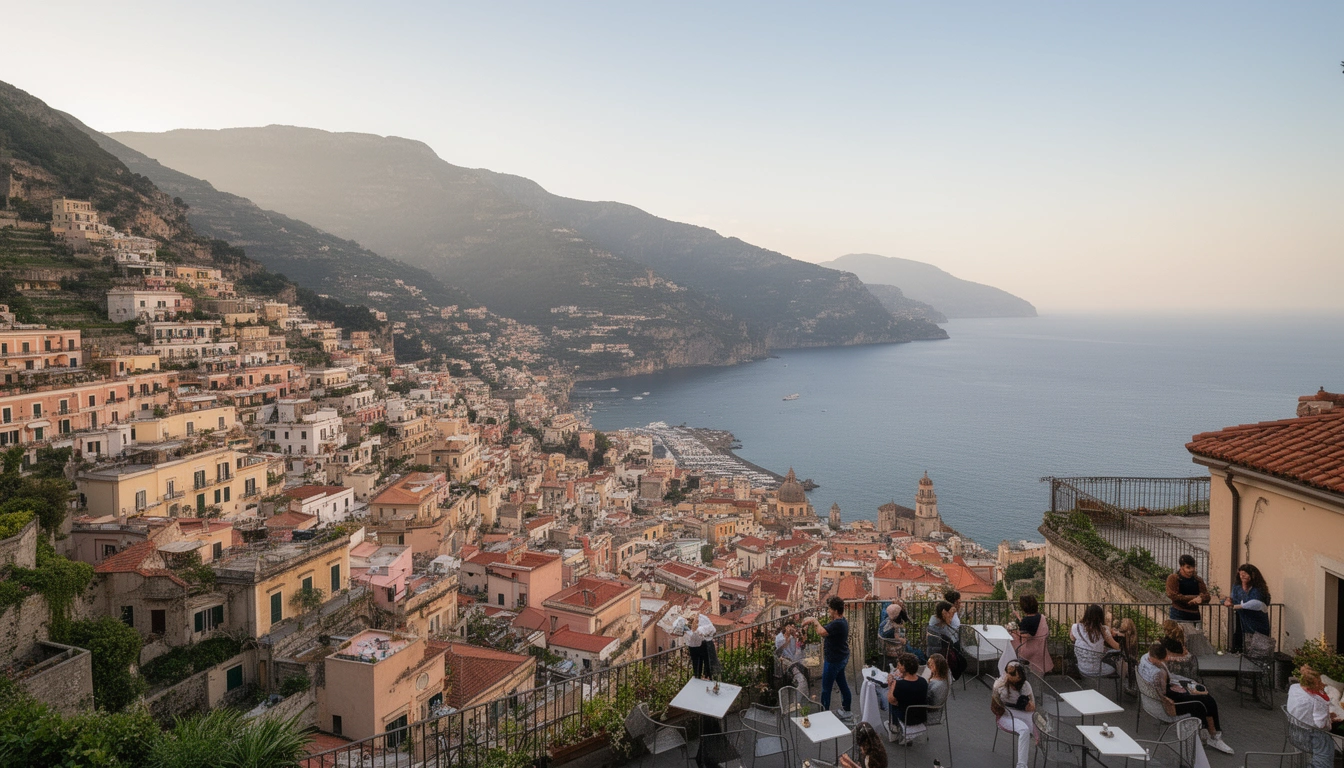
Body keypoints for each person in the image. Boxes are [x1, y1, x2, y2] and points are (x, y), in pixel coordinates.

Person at [1138, 642, 1232, 754]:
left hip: (1161, 697)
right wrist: (1179, 687)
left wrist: (1186, 682)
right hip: (1168, 704)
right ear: (1154, 658)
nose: (1165, 661)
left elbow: (1165, 686)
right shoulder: (1157, 673)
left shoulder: (1145, 658)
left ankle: (1210, 734)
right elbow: (1163, 694)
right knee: (1203, 702)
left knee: (1206, 699)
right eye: (1162, 660)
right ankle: (1213, 736)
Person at [804, 596, 853, 720]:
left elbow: (821, 632)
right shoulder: (842, 621)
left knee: (826, 688)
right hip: (841, 657)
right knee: (842, 684)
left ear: (836, 610)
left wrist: (814, 620)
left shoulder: (837, 624)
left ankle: (824, 714)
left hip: (834, 660)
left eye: (830, 609)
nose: (829, 611)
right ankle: (847, 710)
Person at [1287, 664, 1344, 768]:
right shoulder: (1317, 701)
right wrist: (1329, 720)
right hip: (1309, 736)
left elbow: (1307, 712)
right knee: (1329, 740)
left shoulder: (1294, 688)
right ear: (1312, 685)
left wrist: (1327, 717)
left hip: (1294, 731)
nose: (1323, 685)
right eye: (1319, 683)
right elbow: (1321, 725)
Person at [990, 660, 1035, 768]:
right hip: (1005, 714)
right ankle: (1021, 765)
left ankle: (1040, 744)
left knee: (1039, 724)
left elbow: (1033, 705)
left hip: (1022, 712)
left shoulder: (1025, 685)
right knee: (1024, 730)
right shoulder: (1000, 685)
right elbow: (994, 708)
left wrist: (1029, 706)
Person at [1225, 563, 1272, 651]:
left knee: (1259, 643)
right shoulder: (1237, 587)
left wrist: (1240, 605)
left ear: (1252, 575)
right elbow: (1232, 598)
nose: (1242, 576)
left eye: (1245, 573)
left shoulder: (1258, 588)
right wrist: (1228, 600)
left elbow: (1257, 603)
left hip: (1256, 618)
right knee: (1242, 639)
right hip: (1242, 617)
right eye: (1241, 573)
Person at [886, 652, 929, 744]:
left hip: (907, 718)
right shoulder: (923, 681)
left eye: (899, 665)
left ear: (904, 668)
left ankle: (894, 728)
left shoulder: (899, 684)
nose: (897, 667)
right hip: (921, 716)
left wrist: (891, 685)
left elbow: (890, 700)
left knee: (892, 703)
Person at [1070, 604, 1120, 676]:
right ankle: (1123, 684)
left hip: (1082, 667)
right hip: (1097, 669)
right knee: (1118, 662)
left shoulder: (1076, 627)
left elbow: (1072, 638)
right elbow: (1117, 647)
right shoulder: (1103, 631)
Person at [1010, 594, 1053, 674]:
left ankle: (1010, 668)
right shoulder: (1040, 617)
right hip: (1040, 647)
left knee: (1010, 639)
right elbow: (1031, 628)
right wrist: (1018, 617)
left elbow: (1024, 635)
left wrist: (1013, 632)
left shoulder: (1026, 621)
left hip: (1028, 650)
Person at [1165, 554, 1211, 625]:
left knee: (1195, 635)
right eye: (1188, 567)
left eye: (1193, 567)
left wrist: (1201, 598)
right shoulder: (1173, 578)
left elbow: (1207, 596)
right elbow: (1173, 596)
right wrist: (1195, 598)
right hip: (1178, 613)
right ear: (1181, 567)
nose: (1191, 570)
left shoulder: (1198, 580)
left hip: (1194, 614)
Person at [926, 601, 966, 680]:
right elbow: (950, 640)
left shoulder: (933, 622)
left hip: (932, 652)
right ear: (945, 612)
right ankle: (952, 677)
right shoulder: (942, 628)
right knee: (962, 659)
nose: (952, 615)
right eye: (950, 612)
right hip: (944, 656)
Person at [683, 612, 715, 678]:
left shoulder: (702, 619)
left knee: (706, 666)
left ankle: (705, 678)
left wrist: (700, 631)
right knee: (698, 667)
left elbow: (712, 630)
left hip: (703, 645)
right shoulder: (685, 622)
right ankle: (702, 678)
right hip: (696, 646)